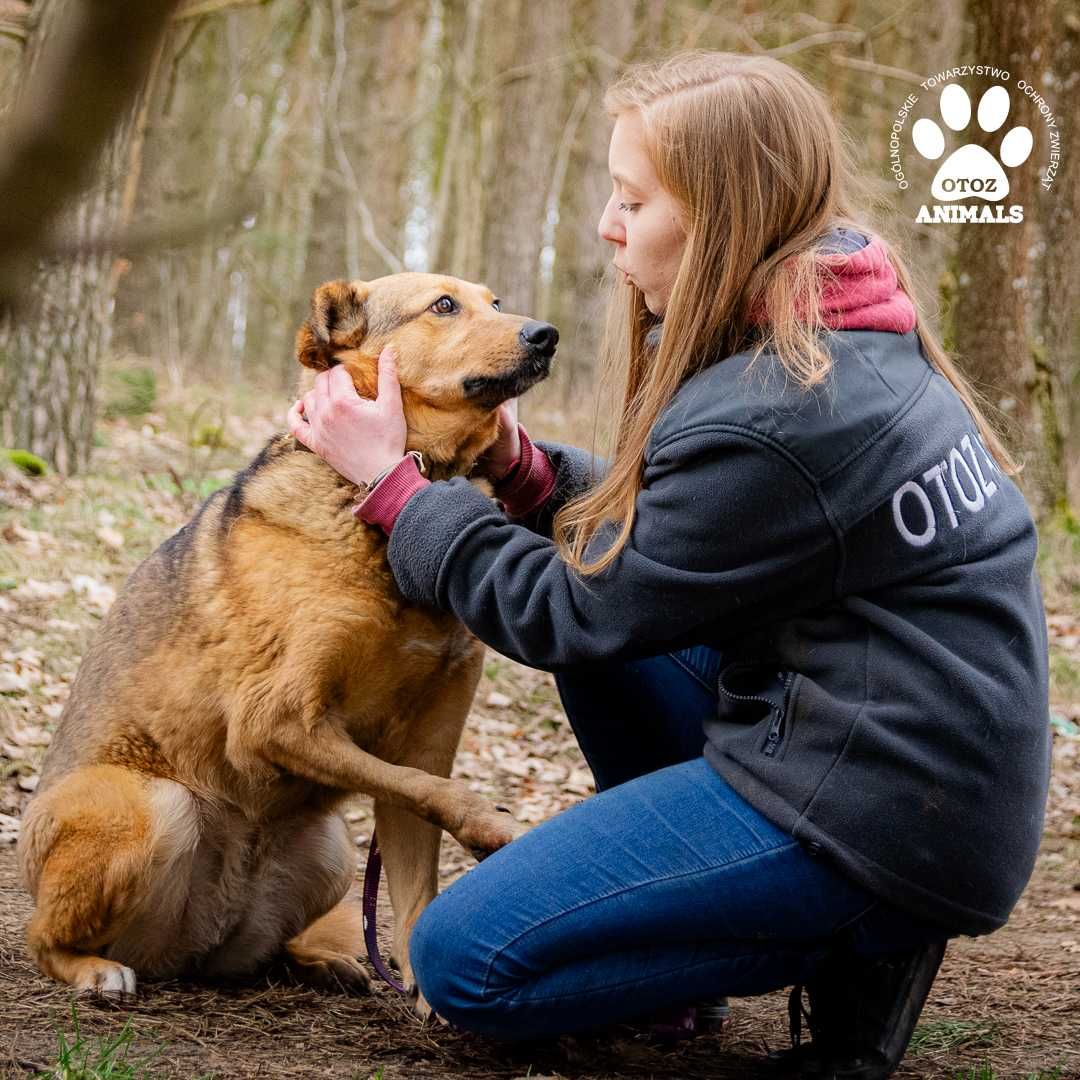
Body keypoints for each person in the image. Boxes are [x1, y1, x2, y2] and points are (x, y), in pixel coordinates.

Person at [287, 51, 1051, 1078]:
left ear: (723, 217)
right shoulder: (840, 319)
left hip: (881, 811)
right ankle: (760, 916)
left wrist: (396, 492)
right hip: (906, 754)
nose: (608, 223)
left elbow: (565, 612)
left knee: (465, 964)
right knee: (610, 629)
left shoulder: (780, 404)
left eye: (633, 199)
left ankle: (851, 936)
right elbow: (684, 533)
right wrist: (521, 471)